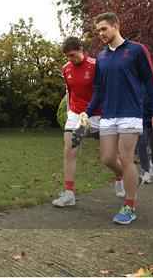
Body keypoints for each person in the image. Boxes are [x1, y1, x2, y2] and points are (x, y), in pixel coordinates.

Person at [80, 12, 153, 225]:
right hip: (108, 115)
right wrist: (87, 111)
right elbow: (98, 89)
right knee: (108, 158)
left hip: (130, 114)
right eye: (98, 30)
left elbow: (150, 82)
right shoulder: (101, 57)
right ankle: (130, 178)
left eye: (104, 29)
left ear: (116, 26)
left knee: (126, 157)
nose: (100, 33)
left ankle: (129, 205)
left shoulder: (136, 50)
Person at [53, 37, 118, 207]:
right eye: (67, 56)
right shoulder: (66, 69)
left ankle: (121, 177)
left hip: (98, 115)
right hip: (75, 114)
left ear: (81, 49)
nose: (70, 59)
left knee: (108, 159)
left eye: (73, 55)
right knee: (69, 150)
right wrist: (70, 112)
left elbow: (105, 92)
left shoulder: (97, 65)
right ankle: (69, 193)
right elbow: (70, 92)